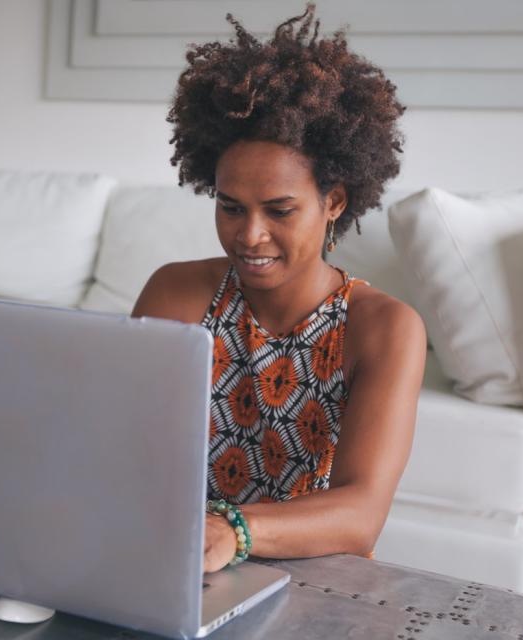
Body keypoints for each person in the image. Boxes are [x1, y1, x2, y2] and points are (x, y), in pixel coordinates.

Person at [131, 4, 427, 574]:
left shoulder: (384, 328)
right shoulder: (177, 293)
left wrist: (232, 532)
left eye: (280, 210)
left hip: (307, 573)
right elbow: (123, 448)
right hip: (175, 561)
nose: (249, 235)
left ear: (333, 202)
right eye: (230, 206)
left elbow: (361, 511)